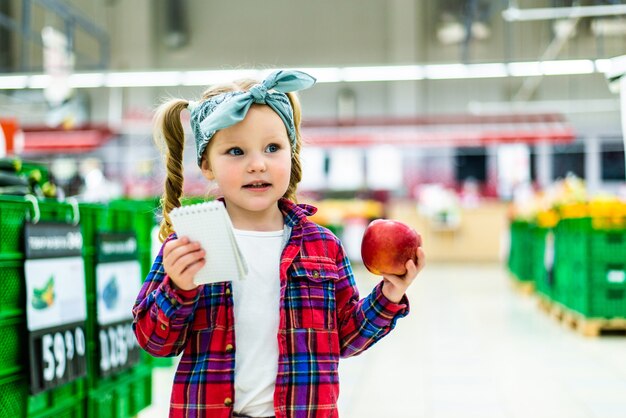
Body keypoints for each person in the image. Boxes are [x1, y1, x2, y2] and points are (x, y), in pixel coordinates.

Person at [132, 70, 426, 418]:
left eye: (273, 148)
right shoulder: (192, 242)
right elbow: (155, 342)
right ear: (207, 165)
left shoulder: (322, 246)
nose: (258, 164)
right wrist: (178, 289)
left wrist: (389, 294)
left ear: (292, 152)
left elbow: (345, 338)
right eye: (236, 151)